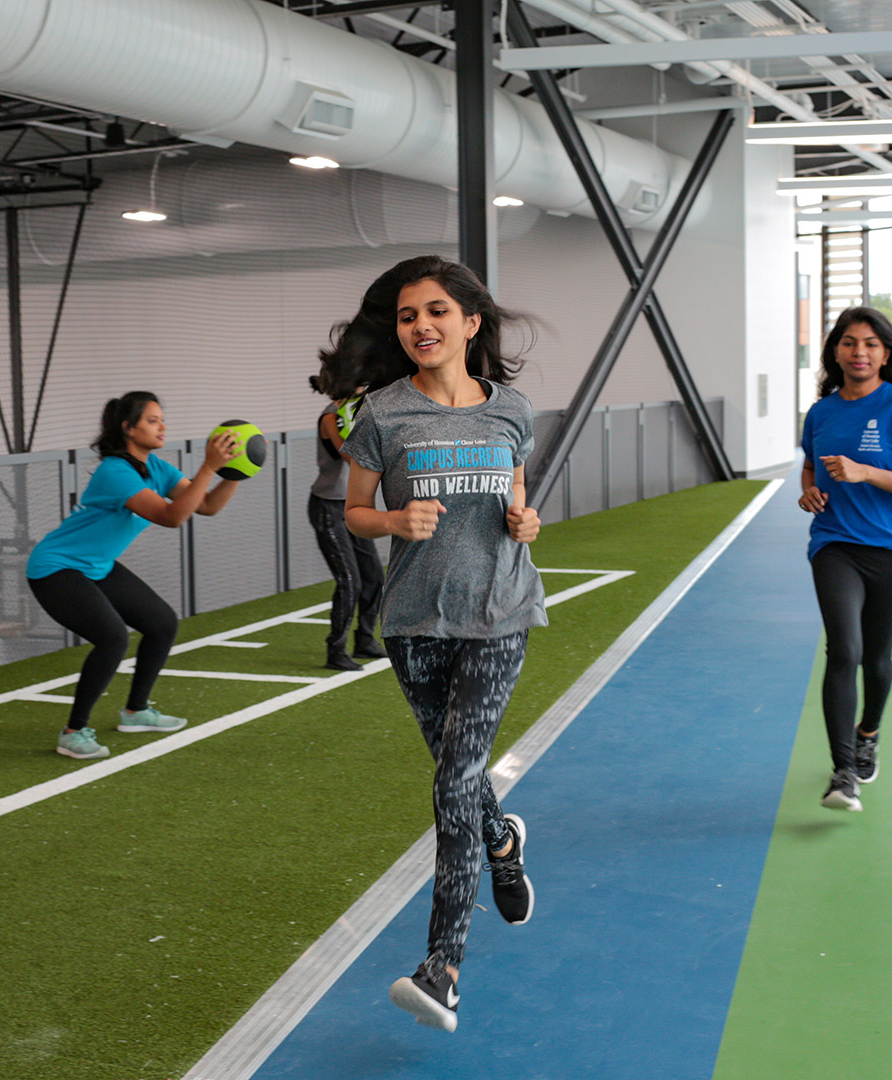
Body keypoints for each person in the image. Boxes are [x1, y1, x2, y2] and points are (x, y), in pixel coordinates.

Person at [320, 254, 545, 1033]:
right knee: (459, 772)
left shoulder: (512, 409)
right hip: (414, 620)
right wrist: (392, 521)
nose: (422, 325)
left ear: (470, 324)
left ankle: (442, 967)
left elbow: (516, 493)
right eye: (409, 315)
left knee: (453, 783)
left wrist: (526, 521)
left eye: (438, 312)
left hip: (499, 611)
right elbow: (353, 511)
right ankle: (502, 841)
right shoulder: (380, 415)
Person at [25, 392, 243, 760]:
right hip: (57, 567)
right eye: (153, 420)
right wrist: (208, 466)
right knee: (112, 638)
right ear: (129, 428)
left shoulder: (156, 467)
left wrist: (236, 471)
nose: (163, 426)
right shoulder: (115, 471)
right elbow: (172, 517)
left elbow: (205, 506)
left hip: (97, 565)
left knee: (161, 624)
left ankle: (136, 711)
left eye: (161, 419)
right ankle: (73, 731)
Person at [797, 306, 892, 812]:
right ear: (836, 350)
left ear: (886, 354)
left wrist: (865, 472)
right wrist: (809, 493)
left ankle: (868, 733)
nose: (860, 352)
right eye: (850, 342)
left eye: (871, 344)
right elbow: (810, 468)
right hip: (834, 546)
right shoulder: (821, 412)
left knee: (877, 659)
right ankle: (843, 773)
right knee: (844, 651)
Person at [304, 382, 387, 671]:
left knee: (374, 576)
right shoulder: (331, 417)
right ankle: (335, 650)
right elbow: (351, 457)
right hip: (327, 506)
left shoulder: (358, 412)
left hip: (351, 506)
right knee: (349, 580)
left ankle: (364, 639)